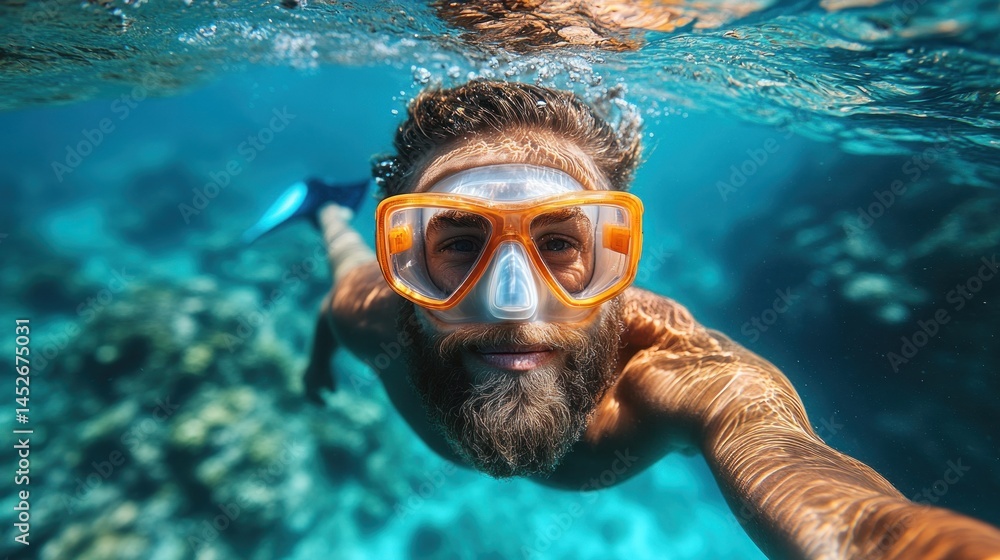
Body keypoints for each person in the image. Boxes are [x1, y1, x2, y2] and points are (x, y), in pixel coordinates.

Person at [245, 80, 1000, 559]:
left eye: (562, 245)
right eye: (459, 242)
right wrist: (318, 362)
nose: (514, 302)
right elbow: (336, 311)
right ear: (408, 260)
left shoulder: (682, 378)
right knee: (342, 253)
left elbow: (859, 524)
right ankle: (330, 205)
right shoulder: (374, 314)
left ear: (617, 261)